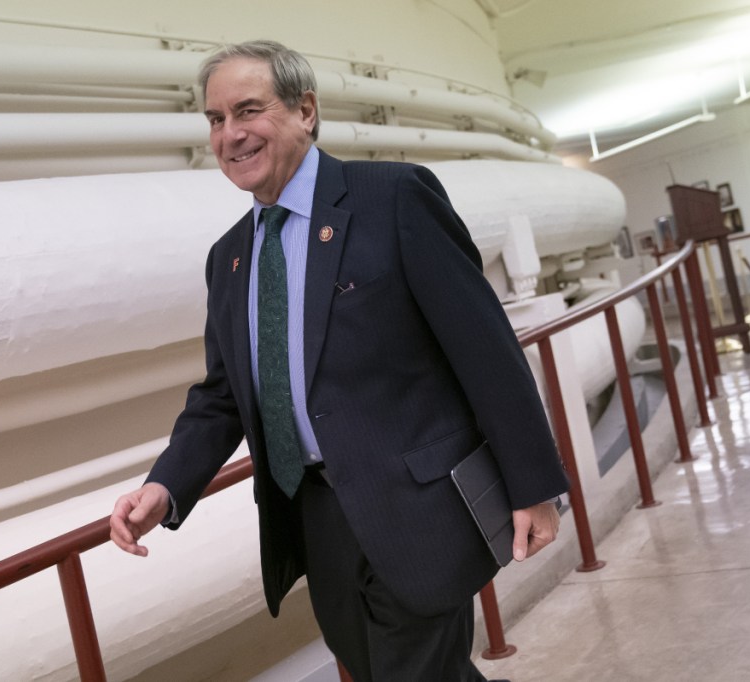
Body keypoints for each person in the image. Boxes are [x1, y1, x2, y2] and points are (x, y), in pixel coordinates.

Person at [110, 40, 568, 681]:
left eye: (248, 110)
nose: (231, 135)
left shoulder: (394, 199)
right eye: (216, 120)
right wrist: (165, 484)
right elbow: (223, 395)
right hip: (316, 516)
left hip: (419, 507)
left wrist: (533, 486)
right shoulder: (230, 258)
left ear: (305, 110)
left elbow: (486, 349)